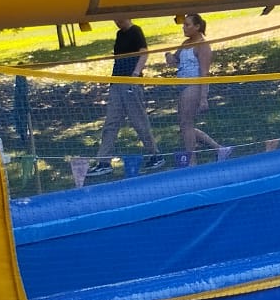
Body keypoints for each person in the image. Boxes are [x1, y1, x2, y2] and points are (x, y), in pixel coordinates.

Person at [87, 16, 165, 177]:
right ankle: (103, 161)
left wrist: (135, 74)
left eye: (120, 18)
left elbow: (144, 52)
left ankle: (155, 155)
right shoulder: (119, 34)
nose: (117, 21)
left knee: (138, 120)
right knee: (111, 122)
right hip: (116, 82)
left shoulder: (135, 31)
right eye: (115, 18)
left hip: (130, 83)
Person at [168, 12, 224, 162]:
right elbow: (175, 60)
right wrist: (168, 56)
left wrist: (203, 97)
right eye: (183, 25)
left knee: (186, 123)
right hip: (182, 85)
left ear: (197, 26)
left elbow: (205, 72)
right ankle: (219, 149)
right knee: (184, 125)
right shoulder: (185, 44)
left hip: (193, 86)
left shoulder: (203, 45)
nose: (184, 28)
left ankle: (192, 161)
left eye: (187, 25)